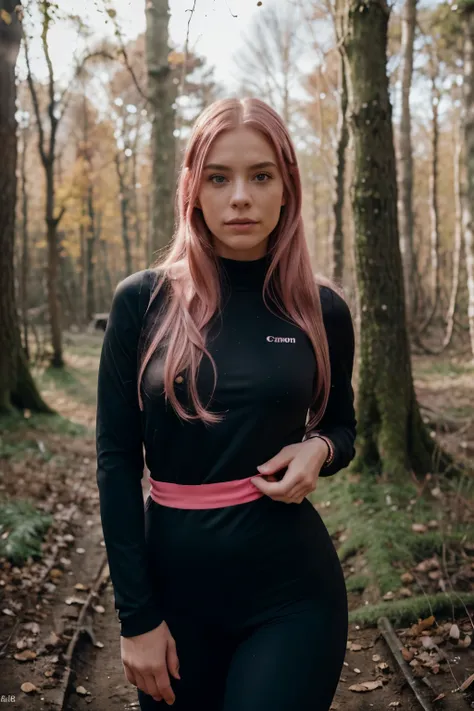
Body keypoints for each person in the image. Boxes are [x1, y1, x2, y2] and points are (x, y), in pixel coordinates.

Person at [96, 97, 357, 711]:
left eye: (261, 175)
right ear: (194, 188)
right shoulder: (142, 303)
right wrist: (136, 619)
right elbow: (114, 463)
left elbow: (343, 426)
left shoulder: (322, 310)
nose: (240, 196)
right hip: (174, 600)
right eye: (220, 177)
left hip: (293, 598)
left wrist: (319, 449)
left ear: (286, 187)